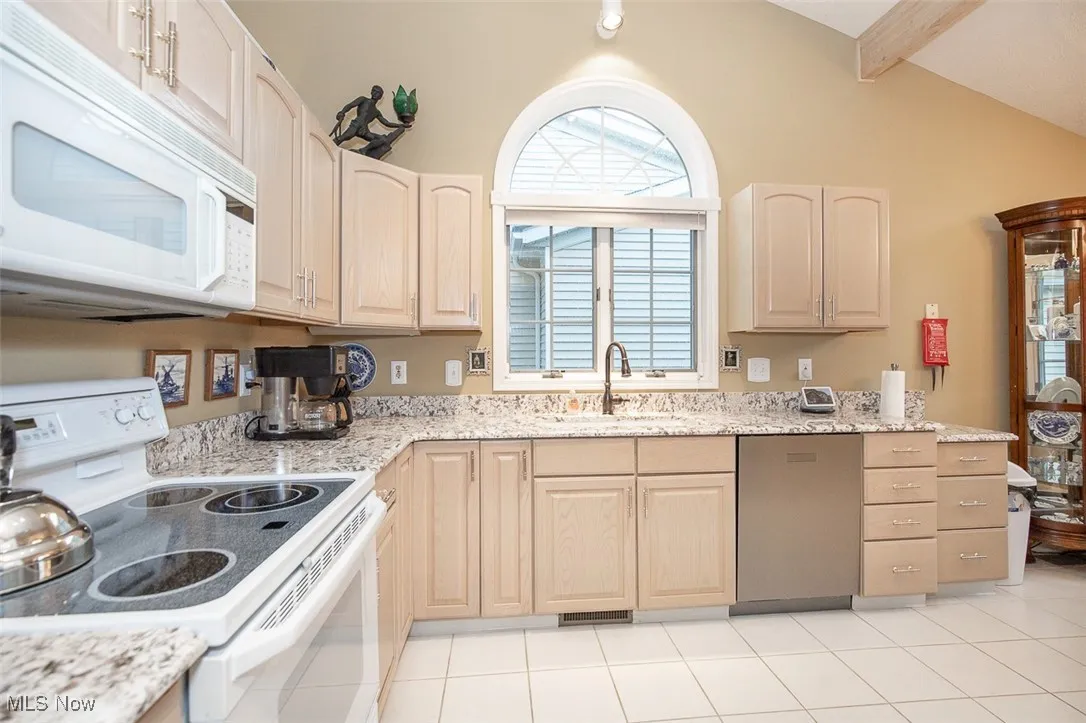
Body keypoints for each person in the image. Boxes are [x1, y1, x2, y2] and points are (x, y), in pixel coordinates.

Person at [331, 85, 410, 159]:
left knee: (382, 139)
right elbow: (351, 105)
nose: (375, 94)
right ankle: (328, 147)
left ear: (380, 97)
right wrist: (342, 112)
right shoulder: (363, 100)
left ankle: (363, 150)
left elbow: (387, 123)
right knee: (342, 138)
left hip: (364, 130)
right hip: (356, 125)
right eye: (374, 91)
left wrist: (401, 125)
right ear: (371, 92)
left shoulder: (376, 111)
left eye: (378, 93)